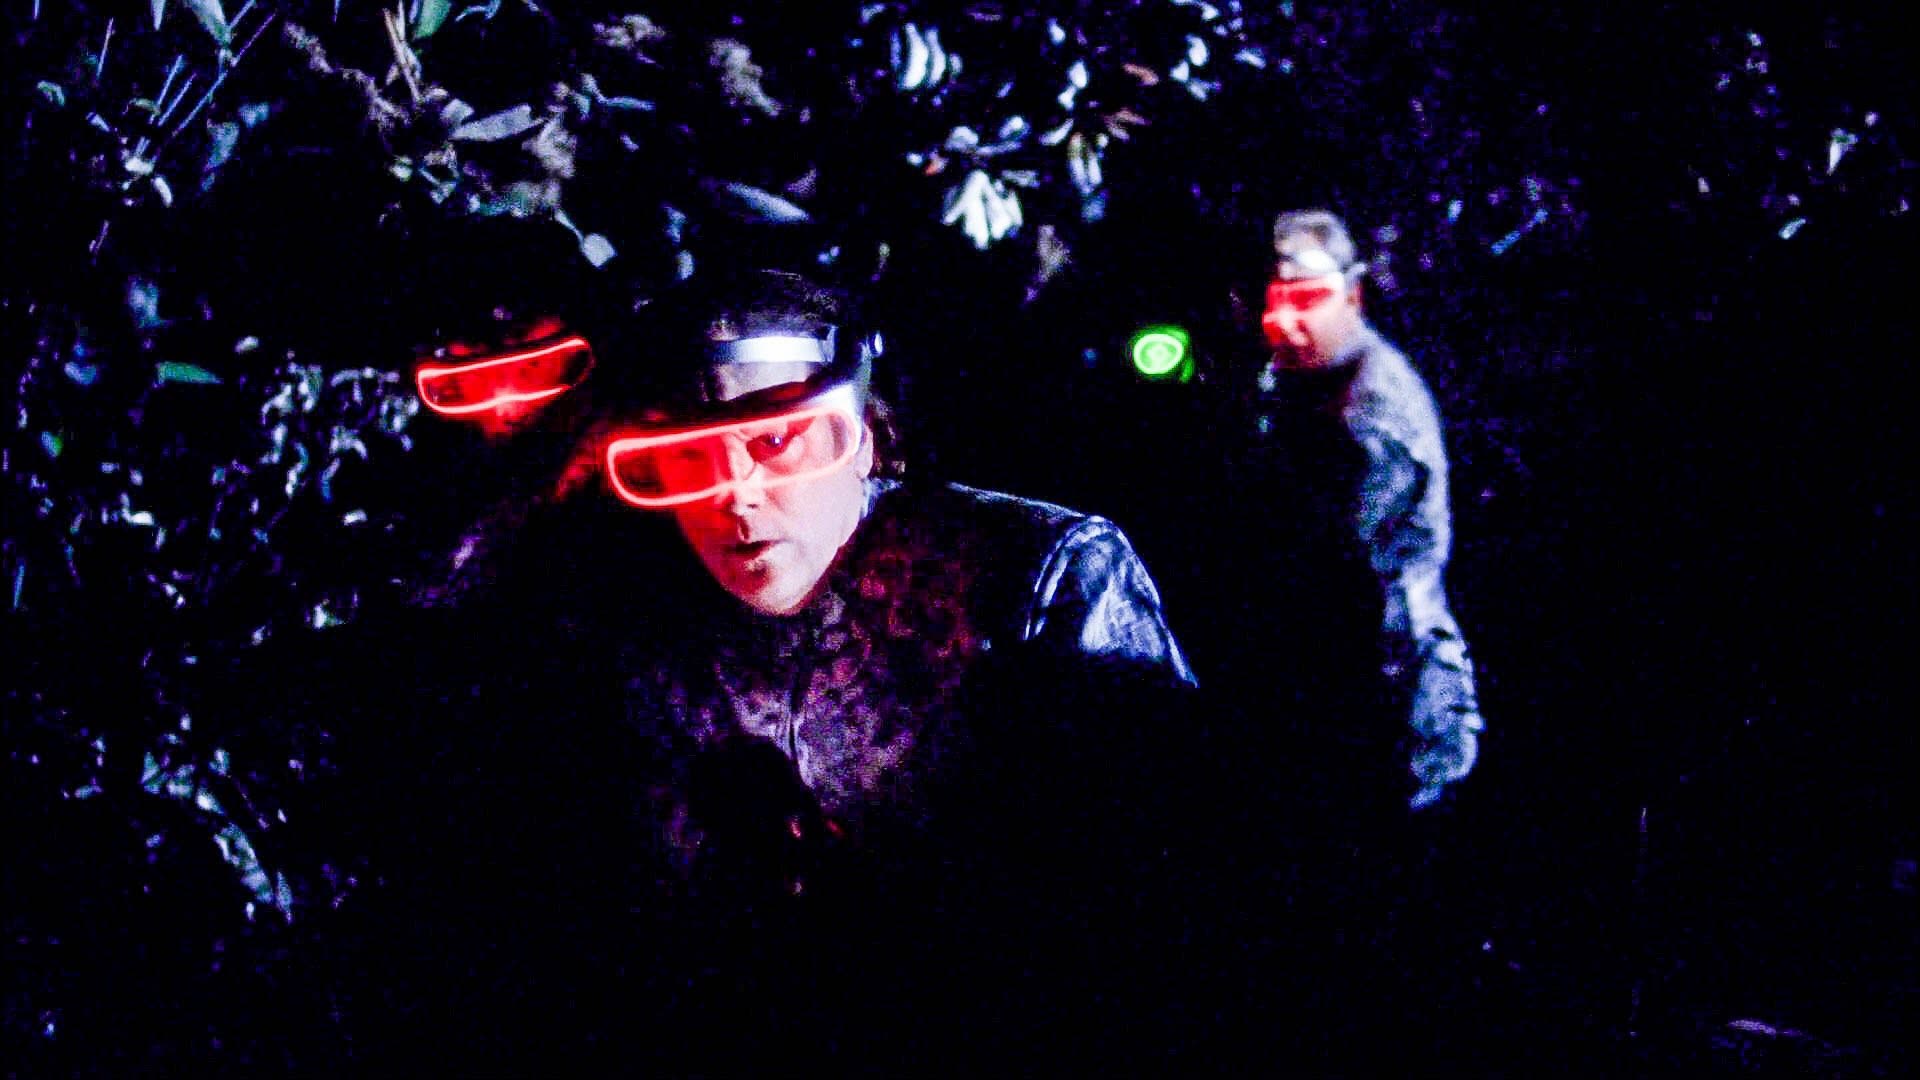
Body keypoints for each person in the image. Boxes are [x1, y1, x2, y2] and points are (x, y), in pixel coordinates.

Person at [541, 266, 1202, 1065]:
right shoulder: (646, 630)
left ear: (862, 438)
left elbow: (1163, 892)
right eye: (690, 456)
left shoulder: (1036, 573)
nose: (735, 495)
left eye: (775, 441)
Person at [1244, 208, 1485, 814]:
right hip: (1342, 699)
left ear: (1352, 295)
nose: (1285, 322)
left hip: (1395, 712)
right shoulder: (1306, 384)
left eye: (1308, 299)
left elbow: (1349, 574)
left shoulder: (1371, 414)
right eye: (1275, 301)